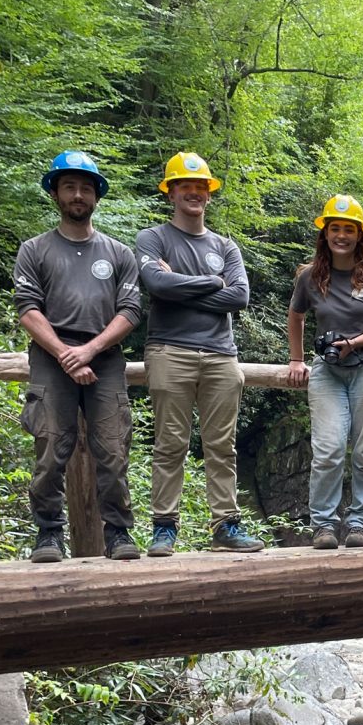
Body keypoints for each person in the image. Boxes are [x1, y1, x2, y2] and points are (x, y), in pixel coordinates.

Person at [14, 151, 142, 563]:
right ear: (55, 192)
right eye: (69, 186)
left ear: (97, 196)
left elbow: (131, 311)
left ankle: (118, 533)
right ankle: (48, 534)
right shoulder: (34, 250)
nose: (78, 194)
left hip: (104, 358)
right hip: (51, 359)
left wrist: (88, 351)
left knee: (113, 449)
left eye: (86, 187)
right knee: (50, 448)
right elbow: (27, 309)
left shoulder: (119, 254)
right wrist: (64, 353)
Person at [135, 152, 263, 555]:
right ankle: (163, 528)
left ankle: (225, 526)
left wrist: (181, 284)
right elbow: (156, 286)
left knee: (221, 445)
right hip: (169, 350)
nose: (193, 192)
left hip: (221, 355)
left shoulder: (226, 246)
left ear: (209, 195)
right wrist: (212, 283)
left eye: (200, 187)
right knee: (170, 442)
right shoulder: (152, 239)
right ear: (171, 192)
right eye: (184, 186)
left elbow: (239, 296)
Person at [286, 195, 363, 549]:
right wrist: (296, 358)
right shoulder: (310, 276)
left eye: (348, 229)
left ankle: (359, 524)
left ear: (359, 235)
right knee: (329, 449)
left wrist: (354, 342)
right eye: (334, 228)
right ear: (325, 233)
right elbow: (296, 315)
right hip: (327, 371)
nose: (341, 235)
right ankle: (323, 525)